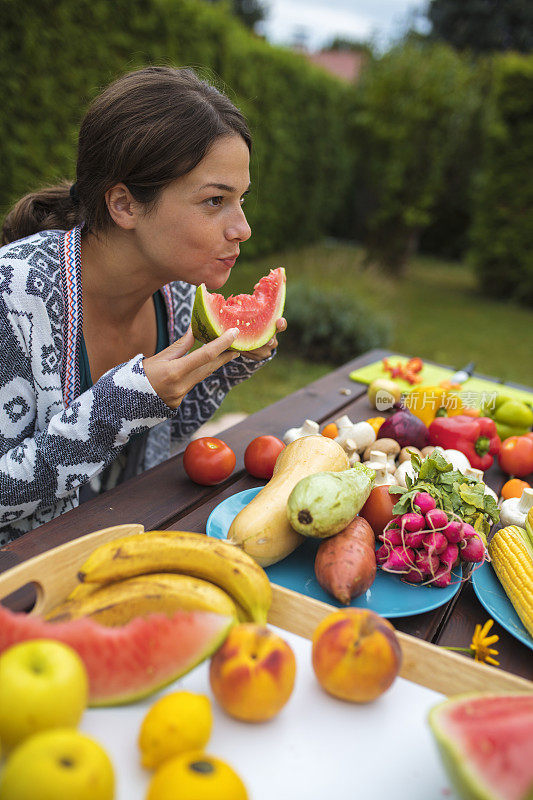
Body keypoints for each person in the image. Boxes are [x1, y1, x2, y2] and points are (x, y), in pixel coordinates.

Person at [0, 66, 286, 545]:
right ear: (125, 205)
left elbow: (163, 438)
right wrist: (121, 404)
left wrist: (227, 364)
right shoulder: (14, 297)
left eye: (241, 199)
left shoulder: (174, 295)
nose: (242, 228)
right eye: (215, 200)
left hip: (125, 546)